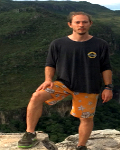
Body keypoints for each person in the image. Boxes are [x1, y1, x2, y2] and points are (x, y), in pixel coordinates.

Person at [20, 11, 113, 150]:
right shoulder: (58, 44)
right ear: (70, 24)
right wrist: (48, 79)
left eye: (84, 22)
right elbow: (50, 64)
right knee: (36, 96)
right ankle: (30, 133)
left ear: (90, 24)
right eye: (77, 22)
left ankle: (81, 146)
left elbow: (105, 67)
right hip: (63, 83)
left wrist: (108, 87)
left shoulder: (100, 44)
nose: (81, 25)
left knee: (86, 118)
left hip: (88, 86)